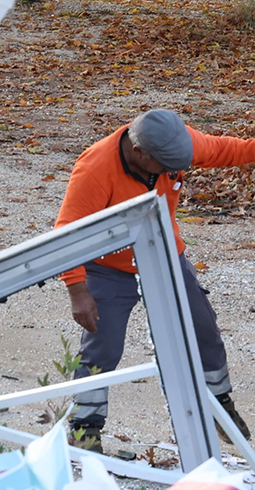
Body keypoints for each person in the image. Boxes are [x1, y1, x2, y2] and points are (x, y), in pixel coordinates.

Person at [56, 109, 255, 452]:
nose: (169, 172)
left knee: (203, 328)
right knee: (103, 346)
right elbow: (66, 233)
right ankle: (84, 427)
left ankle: (217, 404)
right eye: (163, 166)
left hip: (163, 252)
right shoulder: (95, 169)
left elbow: (228, 150)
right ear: (139, 153)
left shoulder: (177, 144)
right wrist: (78, 290)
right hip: (108, 266)